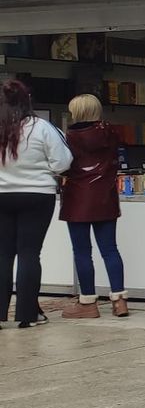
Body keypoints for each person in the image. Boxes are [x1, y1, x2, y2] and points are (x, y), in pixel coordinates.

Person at [0, 80, 72, 329]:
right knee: (30, 253)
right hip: (37, 194)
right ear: (27, 100)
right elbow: (62, 162)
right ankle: (28, 315)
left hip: (1, 195)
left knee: (3, 254)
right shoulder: (41, 127)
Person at [59, 94, 129, 319]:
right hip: (105, 197)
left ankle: (88, 302)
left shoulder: (69, 136)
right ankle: (119, 300)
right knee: (110, 249)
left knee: (82, 251)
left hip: (77, 198)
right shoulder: (111, 133)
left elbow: (63, 165)